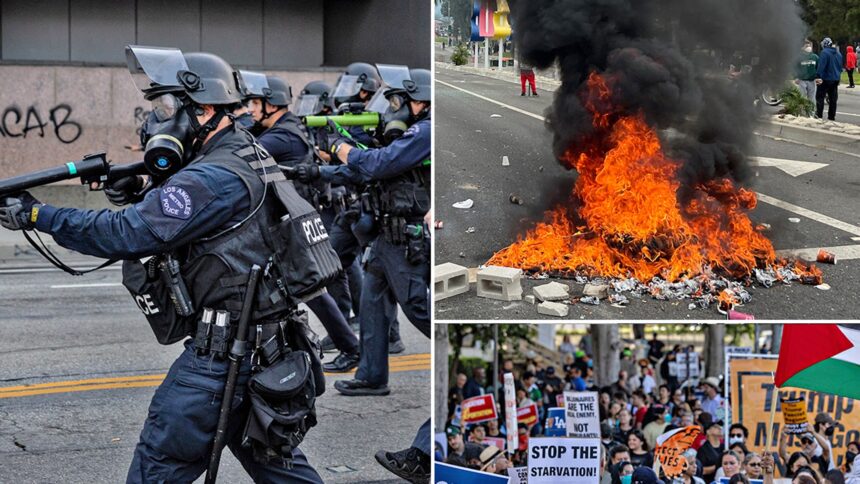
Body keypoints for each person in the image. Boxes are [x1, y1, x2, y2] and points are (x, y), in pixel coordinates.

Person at [0, 46, 327, 483]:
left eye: (166, 105)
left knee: (157, 468)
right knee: (281, 470)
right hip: (266, 348)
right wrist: (139, 187)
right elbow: (205, 217)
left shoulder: (213, 177)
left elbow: (126, 234)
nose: (157, 118)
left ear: (206, 108)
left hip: (222, 358)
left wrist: (40, 214)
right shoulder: (243, 151)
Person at [290, 66, 431, 482]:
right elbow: (366, 169)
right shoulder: (408, 131)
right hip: (384, 237)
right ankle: (372, 375)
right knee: (370, 302)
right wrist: (319, 171)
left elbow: (378, 164)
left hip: (403, 239)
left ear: (420, 101)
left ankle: (442, 344)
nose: (394, 109)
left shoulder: (424, 132)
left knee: (419, 309)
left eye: (400, 101)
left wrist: (339, 149)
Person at [241, 70, 362, 373]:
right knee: (307, 288)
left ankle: (349, 346)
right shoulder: (286, 127)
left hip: (289, 224)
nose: (251, 110)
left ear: (272, 103)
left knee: (312, 288)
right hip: (289, 221)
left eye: (256, 103)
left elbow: (240, 156)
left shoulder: (282, 136)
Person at [815, 37, 842, 120]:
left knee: (820, 97)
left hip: (825, 79)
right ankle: (831, 116)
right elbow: (840, 67)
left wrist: (818, 76)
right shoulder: (838, 53)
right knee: (833, 99)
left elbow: (821, 66)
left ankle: (819, 115)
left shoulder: (824, 53)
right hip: (835, 79)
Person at [796, 40, 820, 105]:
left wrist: (818, 77)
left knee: (811, 98)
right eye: (807, 45)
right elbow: (796, 67)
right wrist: (797, 77)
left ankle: (811, 113)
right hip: (802, 80)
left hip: (811, 80)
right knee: (803, 98)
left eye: (809, 45)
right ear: (803, 47)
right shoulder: (800, 57)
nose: (808, 47)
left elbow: (819, 67)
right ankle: (803, 113)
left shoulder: (815, 57)